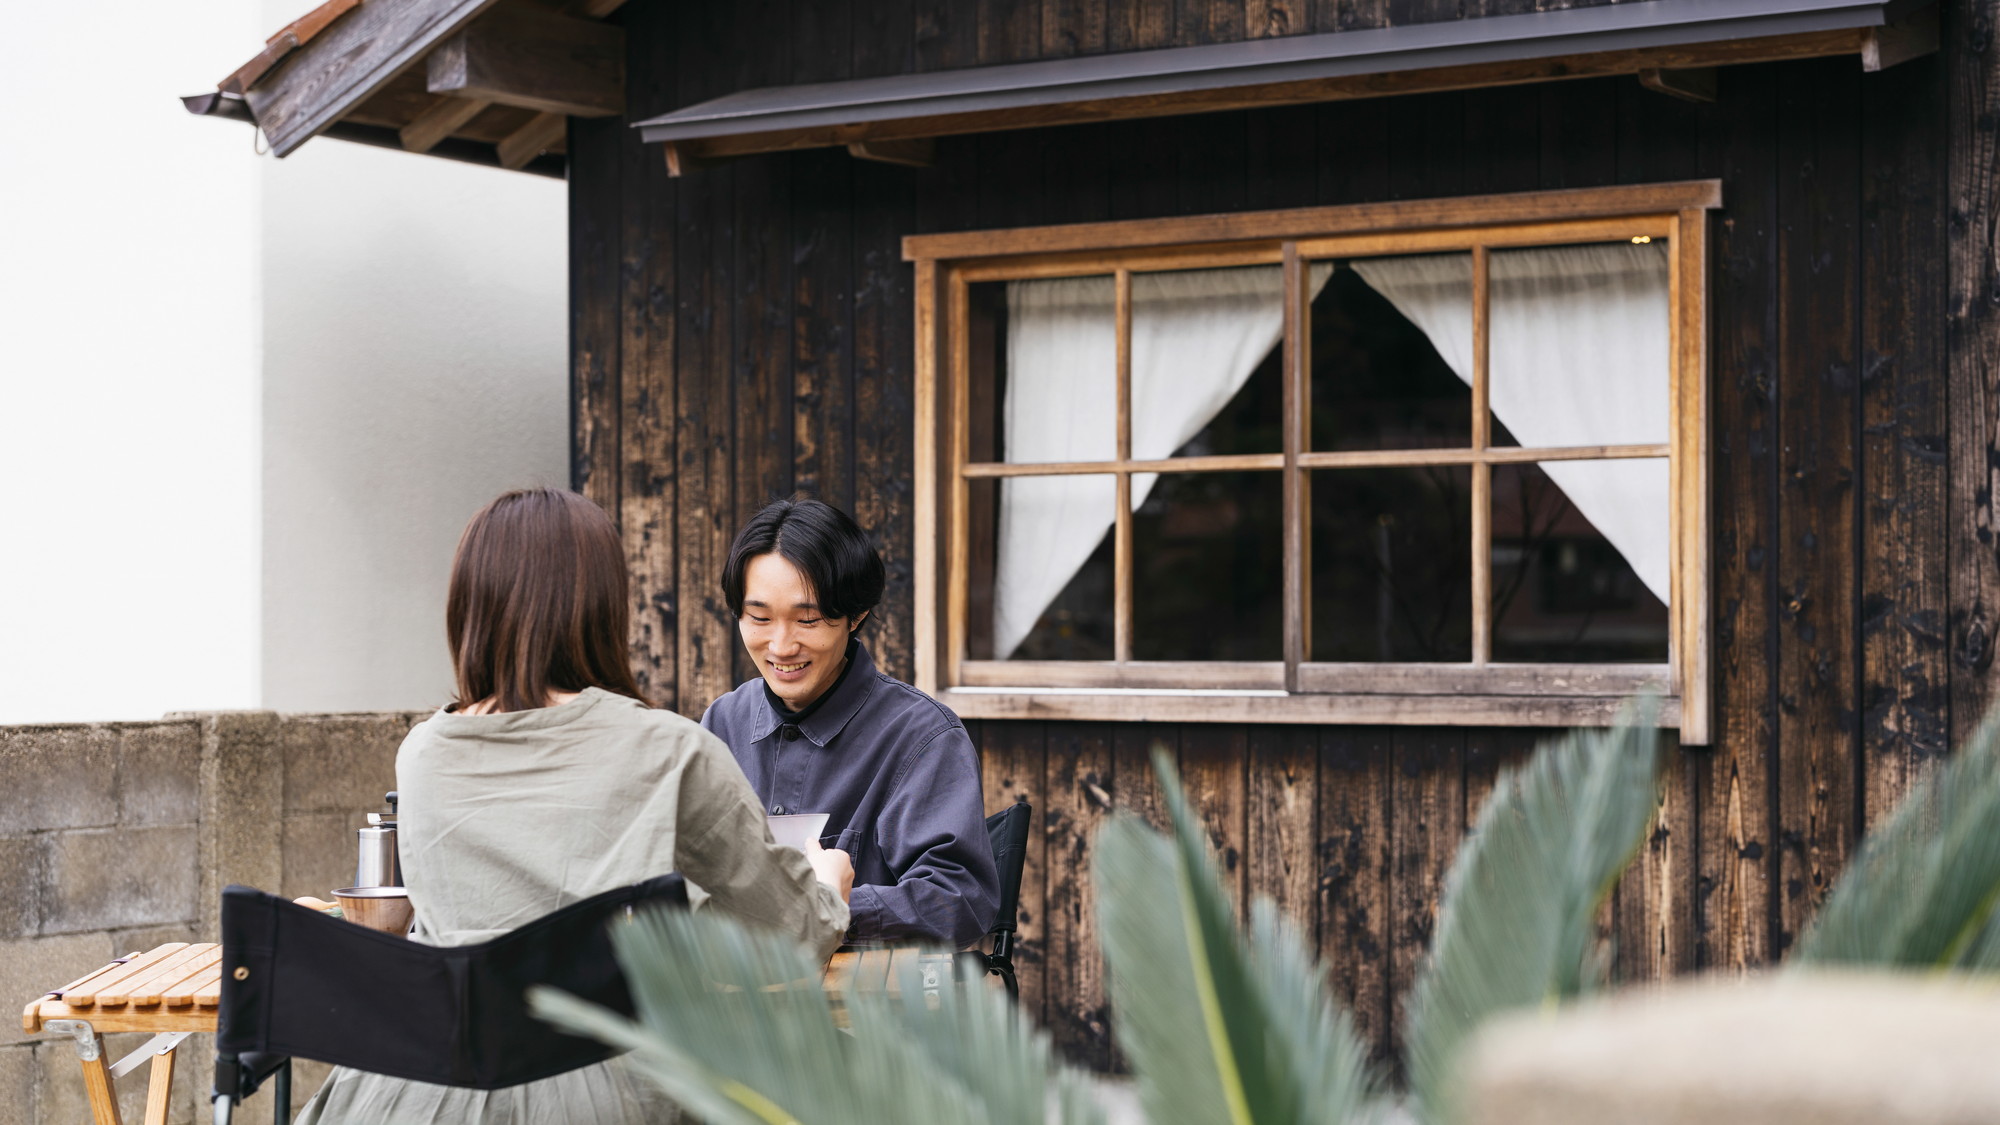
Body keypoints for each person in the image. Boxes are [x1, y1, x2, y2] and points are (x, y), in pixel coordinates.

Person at [297, 489, 851, 1125]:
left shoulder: (422, 754)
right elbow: (787, 931)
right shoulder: (667, 748)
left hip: (421, 1086)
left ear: (469, 606)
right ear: (603, 605)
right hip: (607, 1091)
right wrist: (826, 887)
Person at [701, 498, 1000, 949]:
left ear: (855, 615)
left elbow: (959, 898)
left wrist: (835, 909)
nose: (781, 646)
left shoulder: (921, 736)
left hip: (862, 1010)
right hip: (727, 1004)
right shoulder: (722, 723)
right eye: (759, 618)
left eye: (809, 619)